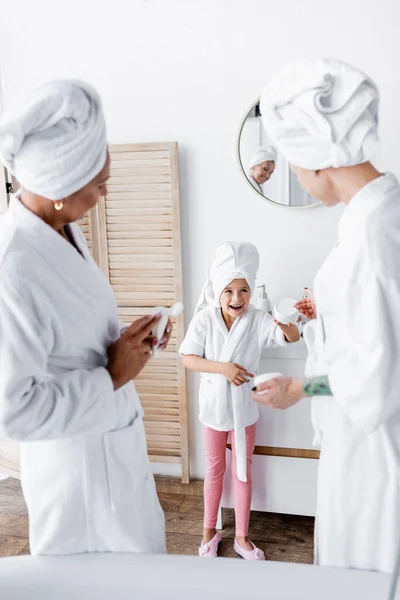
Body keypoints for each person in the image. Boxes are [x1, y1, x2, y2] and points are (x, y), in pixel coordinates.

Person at [0, 80, 169, 555]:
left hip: (111, 446)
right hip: (77, 468)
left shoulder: (62, 228)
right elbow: (13, 410)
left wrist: (126, 341)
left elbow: (69, 333)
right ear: (59, 187)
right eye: (99, 185)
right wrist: (112, 375)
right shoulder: (14, 265)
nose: (104, 196)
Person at [252, 57, 400, 573]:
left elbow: (371, 378)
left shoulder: (367, 240)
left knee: (365, 565)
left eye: (291, 163)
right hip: (377, 436)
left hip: (374, 449)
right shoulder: (387, 211)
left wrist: (300, 389)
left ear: (315, 160)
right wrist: (323, 322)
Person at [180, 242, 300, 559]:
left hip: (244, 409)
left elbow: (290, 338)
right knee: (214, 469)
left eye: (244, 290)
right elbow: (188, 359)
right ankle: (209, 530)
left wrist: (288, 322)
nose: (237, 299)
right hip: (213, 408)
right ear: (218, 291)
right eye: (229, 291)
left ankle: (242, 537)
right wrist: (224, 368)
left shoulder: (259, 319)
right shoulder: (204, 320)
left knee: (243, 471)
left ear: (251, 291)